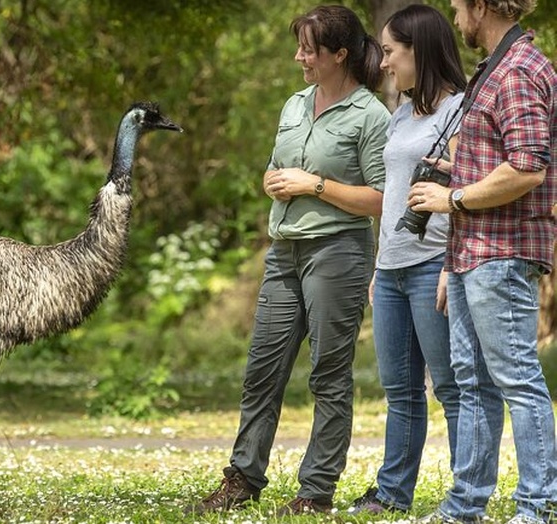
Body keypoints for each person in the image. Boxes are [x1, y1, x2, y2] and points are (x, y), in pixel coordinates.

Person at [187, 5, 390, 517]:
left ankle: (316, 490)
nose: (299, 56)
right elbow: (278, 168)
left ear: (339, 54)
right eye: (298, 45)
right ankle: (243, 477)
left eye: (309, 49)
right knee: (263, 368)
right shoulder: (295, 104)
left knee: (327, 372)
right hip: (284, 253)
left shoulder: (370, 115)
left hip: (338, 252)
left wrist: (314, 185)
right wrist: (273, 180)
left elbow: (384, 199)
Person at [408, 0, 557, 522]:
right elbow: (500, 158)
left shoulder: (517, 70)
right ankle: (465, 506)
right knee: (472, 380)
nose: (455, 17)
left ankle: (538, 506)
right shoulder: (492, 68)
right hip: (471, 252)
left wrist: (450, 198)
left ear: (481, 5)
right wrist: (455, 169)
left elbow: (527, 168)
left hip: (504, 252)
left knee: (517, 377)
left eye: (457, 7)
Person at [347, 4, 467, 516]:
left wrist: (449, 267)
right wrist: (379, 266)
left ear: (420, 49)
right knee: (400, 392)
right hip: (393, 268)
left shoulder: (460, 111)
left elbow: (467, 195)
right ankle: (393, 495)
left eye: (392, 52)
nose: (384, 63)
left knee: (452, 389)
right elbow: (394, 193)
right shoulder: (402, 111)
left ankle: (468, 494)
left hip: (433, 265)